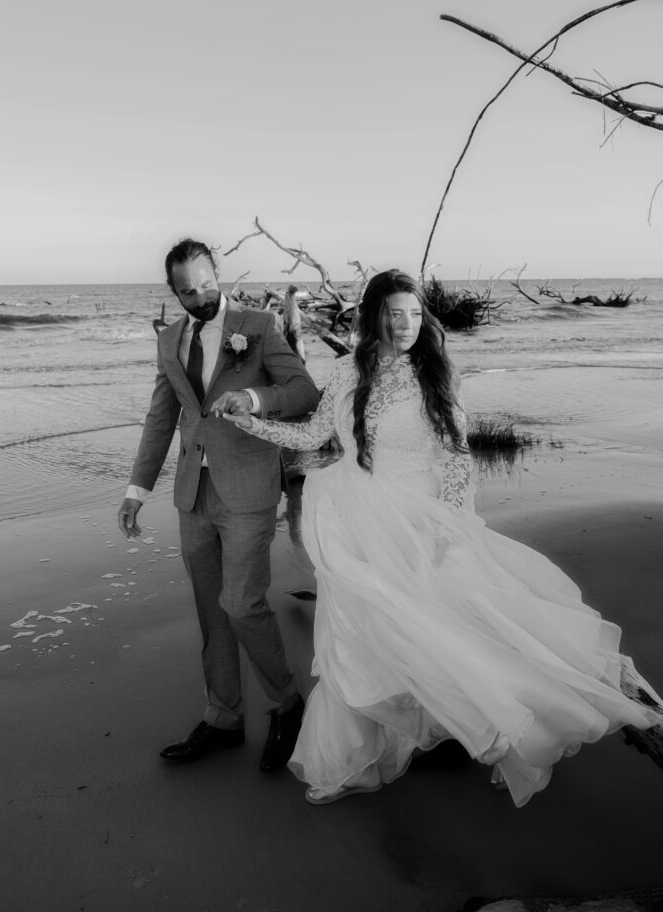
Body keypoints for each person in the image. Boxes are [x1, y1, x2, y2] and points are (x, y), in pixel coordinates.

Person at [219, 269, 662, 806]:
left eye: (414, 314)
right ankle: (378, 745)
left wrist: (449, 527)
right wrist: (250, 422)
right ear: (373, 315)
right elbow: (316, 435)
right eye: (394, 313)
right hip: (357, 516)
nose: (405, 325)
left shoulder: (434, 373)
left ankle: (509, 726)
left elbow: (455, 457)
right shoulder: (344, 371)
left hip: (420, 514)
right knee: (367, 631)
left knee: (449, 627)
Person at [118, 238, 319, 771]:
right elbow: (162, 417)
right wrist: (137, 489)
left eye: (206, 283)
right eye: (187, 290)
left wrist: (255, 399)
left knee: (242, 604)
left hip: (250, 485)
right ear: (174, 291)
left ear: (217, 272)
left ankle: (288, 703)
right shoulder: (168, 340)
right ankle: (223, 718)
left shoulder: (259, 325)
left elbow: (303, 391)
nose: (200, 295)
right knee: (211, 610)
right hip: (193, 492)